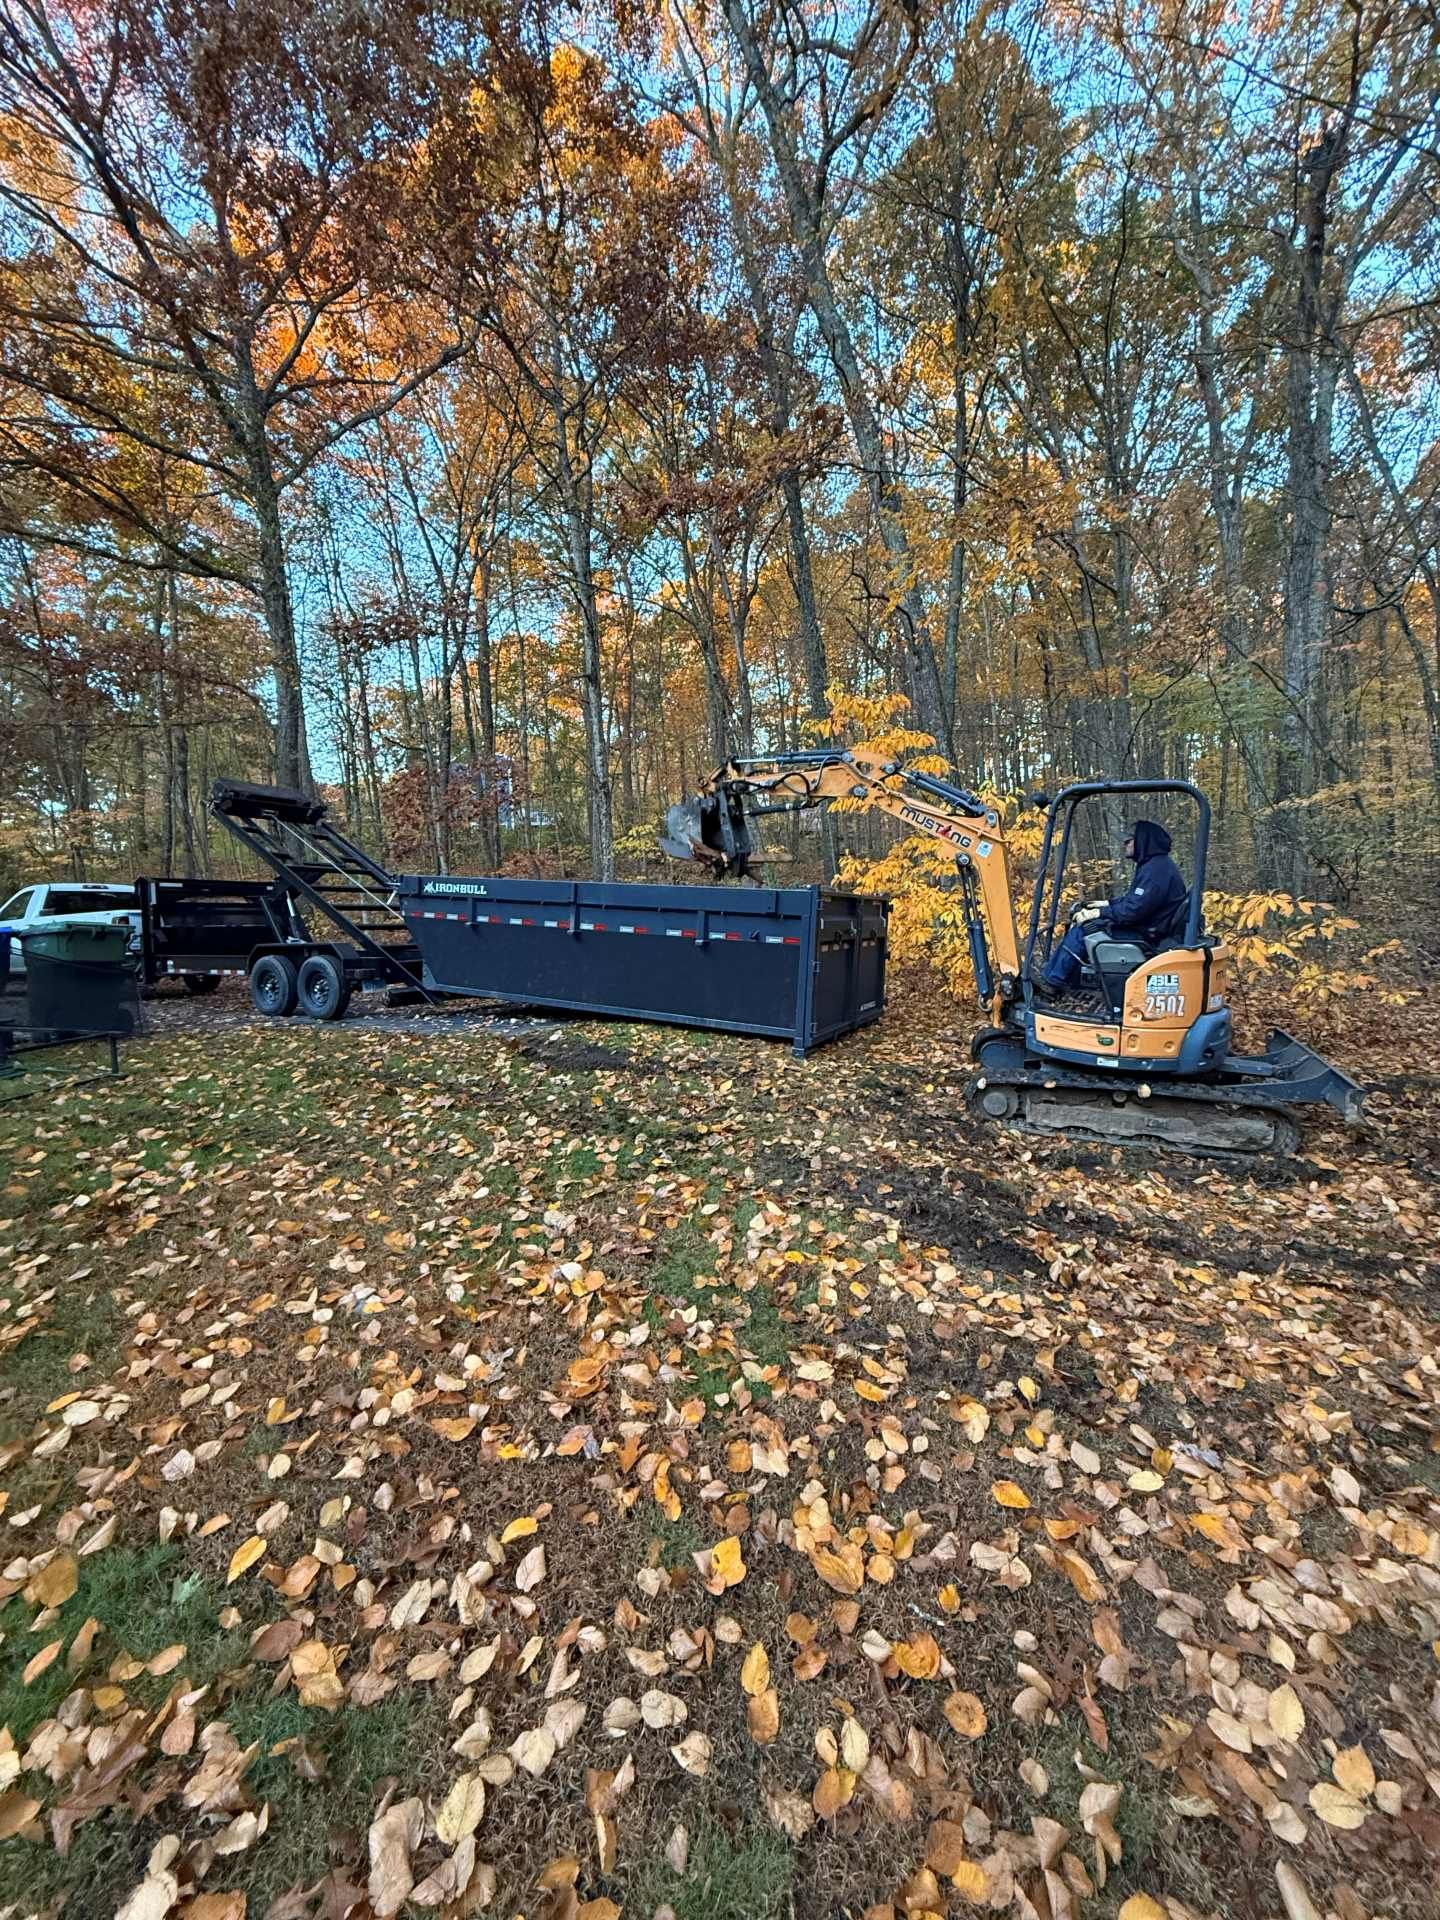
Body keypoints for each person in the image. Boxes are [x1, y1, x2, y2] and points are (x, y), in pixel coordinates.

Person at [1041, 819, 1187, 994]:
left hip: (1147, 935)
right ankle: (1068, 980)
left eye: (1129, 840)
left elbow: (1132, 911)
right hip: (1150, 928)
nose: (1125, 843)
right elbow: (1136, 901)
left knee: (1082, 931)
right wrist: (1107, 904)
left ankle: (1051, 982)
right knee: (1089, 925)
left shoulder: (1156, 870)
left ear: (1143, 841)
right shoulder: (1156, 866)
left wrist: (1097, 913)